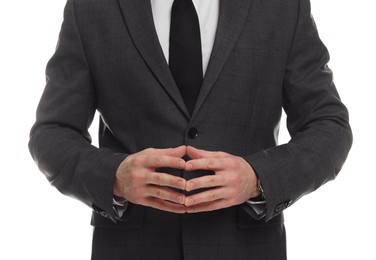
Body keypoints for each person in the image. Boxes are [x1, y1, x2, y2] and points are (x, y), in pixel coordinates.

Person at [29, 0, 352, 259]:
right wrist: (114, 177)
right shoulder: (91, 8)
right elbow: (52, 132)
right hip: (130, 248)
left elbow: (329, 125)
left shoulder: (282, 7)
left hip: (247, 248)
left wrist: (257, 178)